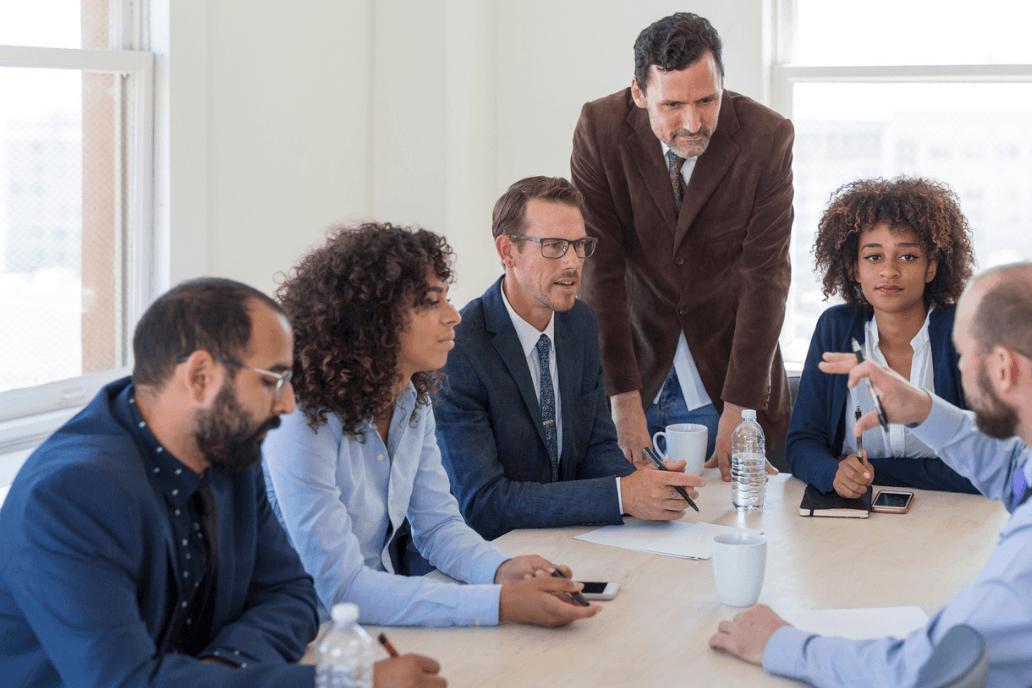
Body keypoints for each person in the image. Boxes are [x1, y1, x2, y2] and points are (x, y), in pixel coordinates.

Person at [710, 263, 1032, 686]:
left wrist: (784, 644)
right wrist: (923, 409)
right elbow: (1016, 469)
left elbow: (926, 670)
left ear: (1003, 369)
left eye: (963, 353)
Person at [0, 278, 442, 687]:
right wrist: (347, 679)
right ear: (200, 377)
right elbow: (125, 683)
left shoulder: (226, 450)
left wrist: (222, 671)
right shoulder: (69, 496)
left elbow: (292, 596)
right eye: (274, 380)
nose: (288, 403)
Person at [263, 222, 598, 630]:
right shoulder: (302, 418)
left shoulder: (410, 398)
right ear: (373, 319)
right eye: (430, 302)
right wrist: (499, 603)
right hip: (306, 638)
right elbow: (340, 586)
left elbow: (437, 526)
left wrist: (503, 569)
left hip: (379, 622)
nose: (453, 316)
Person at [571, 12, 793, 479]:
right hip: (633, 374)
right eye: (672, 105)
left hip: (725, 382)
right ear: (639, 93)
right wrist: (622, 397)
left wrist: (742, 410)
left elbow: (765, 279)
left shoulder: (767, 138)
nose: (692, 123)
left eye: (707, 100)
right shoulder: (600, 129)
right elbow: (600, 272)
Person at [435, 176, 705, 541]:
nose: (573, 263)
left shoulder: (579, 323)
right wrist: (622, 495)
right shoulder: (460, 347)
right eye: (554, 246)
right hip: (488, 556)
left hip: (565, 540)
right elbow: (484, 503)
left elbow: (596, 448)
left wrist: (645, 483)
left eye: (579, 246)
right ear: (507, 251)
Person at [789, 177, 978, 497]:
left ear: (931, 267)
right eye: (874, 257)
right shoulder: (835, 328)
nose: (889, 272)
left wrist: (876, 470)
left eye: (907, 257)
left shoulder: (961, 332)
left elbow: (981, 464)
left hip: (953, 519)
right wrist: (834, 473)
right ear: (854, 268)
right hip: (857, 517)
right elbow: (801, 444)